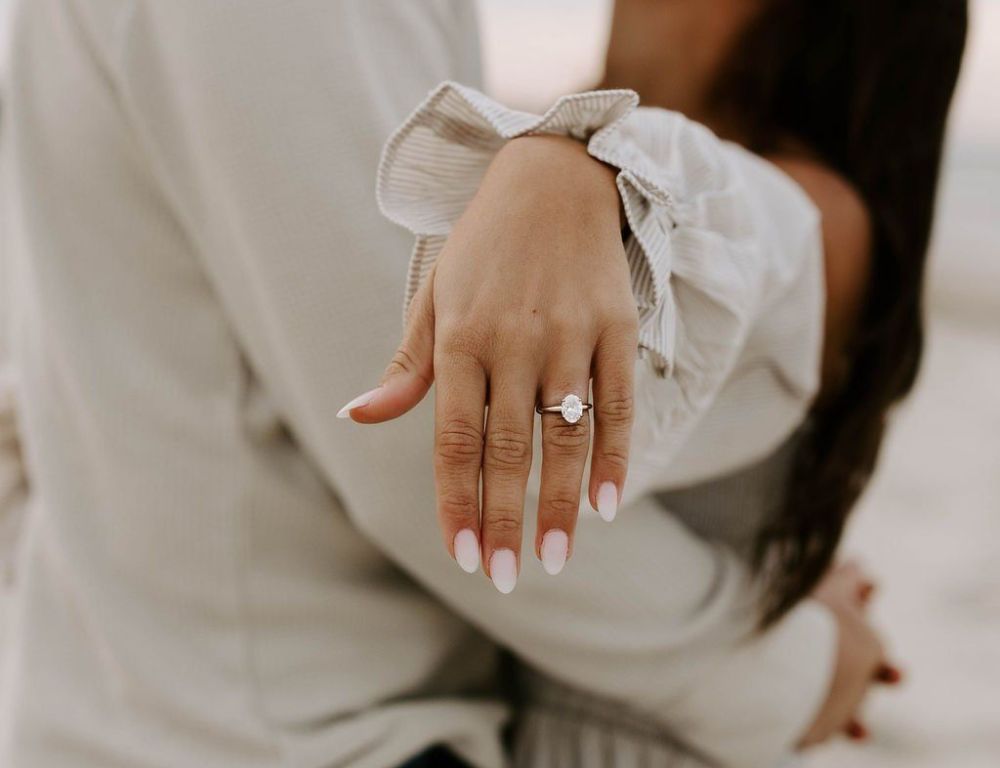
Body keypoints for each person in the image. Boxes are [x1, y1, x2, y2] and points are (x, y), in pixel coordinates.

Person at [0, 4, 961, 768]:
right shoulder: (557, 161)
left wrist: (574, 169)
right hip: (289, 731)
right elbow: (414, 438)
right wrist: (791, 670)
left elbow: (708, 207)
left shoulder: (772, 216)